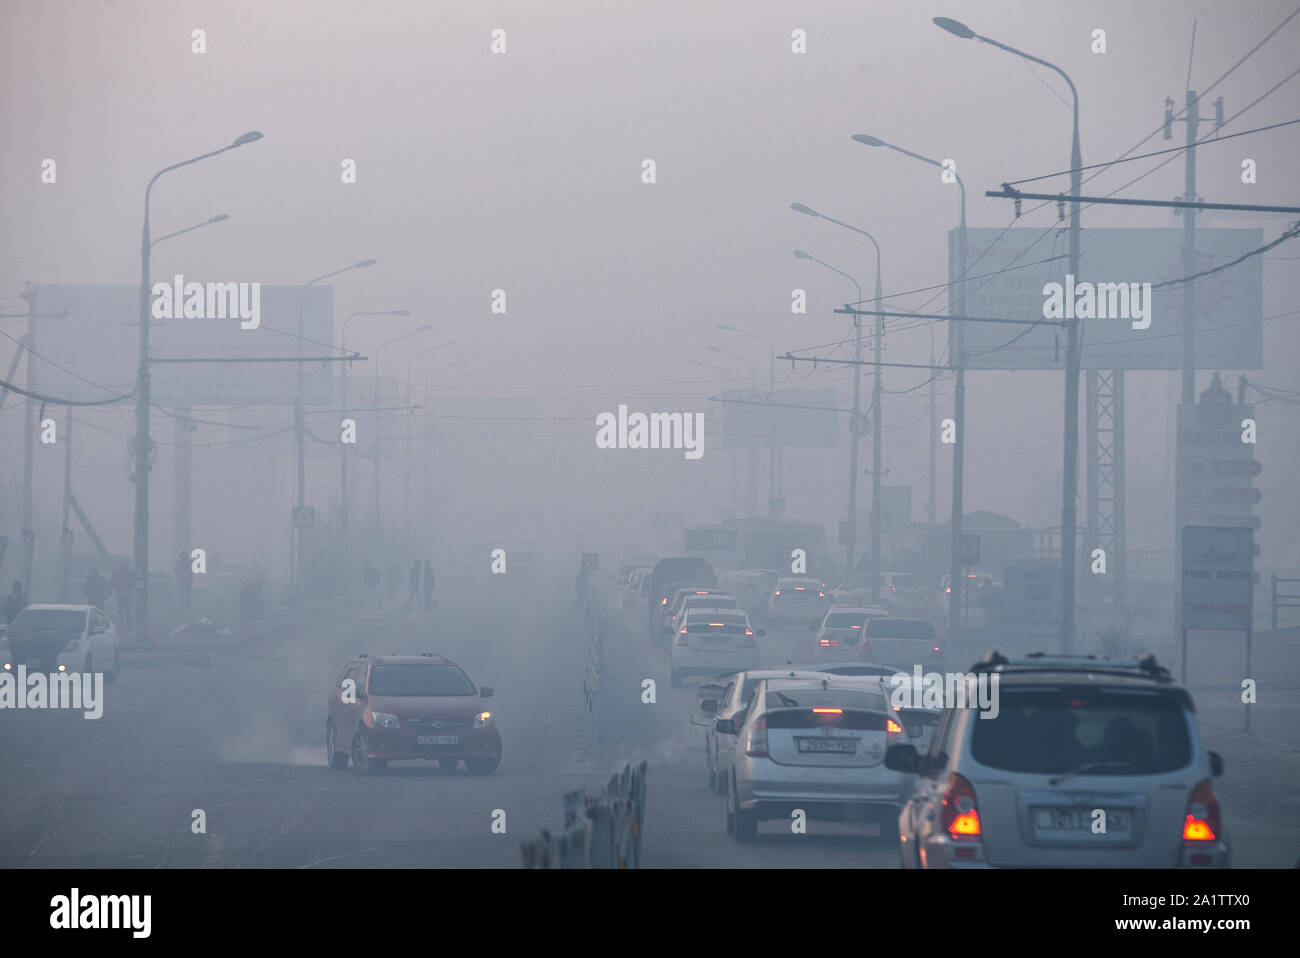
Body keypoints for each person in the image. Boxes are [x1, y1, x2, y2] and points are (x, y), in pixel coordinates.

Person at [110, 561, 135, 631]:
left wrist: (117, 588)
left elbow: (113, 582)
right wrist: (130, 588)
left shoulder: (117, 573)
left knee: (121, 611)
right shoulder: (130, 573)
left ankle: (121, 626)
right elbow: (134, 582)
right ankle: (129, 626)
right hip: (128, 594)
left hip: (120, 594)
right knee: (128, 611)